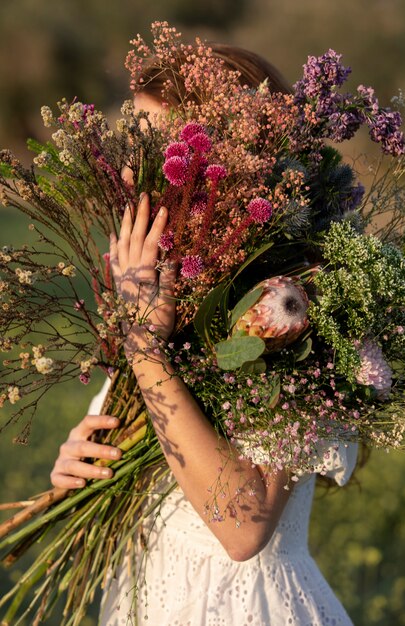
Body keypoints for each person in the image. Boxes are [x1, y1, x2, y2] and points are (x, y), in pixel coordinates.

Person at [50, 43, 358, 625]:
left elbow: (243, 526)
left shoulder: (296, 307)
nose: (134, 175)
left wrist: (145, 345)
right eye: (133, 148)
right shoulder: (164, 299)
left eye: (157, 150)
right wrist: (80, 470)